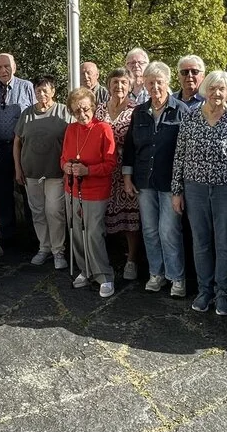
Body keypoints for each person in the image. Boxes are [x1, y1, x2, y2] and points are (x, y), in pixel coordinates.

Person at [170, 70, 227, 316]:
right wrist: (177, 190)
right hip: (194, 189)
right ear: (205, 90)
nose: (217, 93)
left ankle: (223, 293)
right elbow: (180, 156)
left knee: (225, 243)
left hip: (226, 191)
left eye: (222, 89)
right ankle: (204, 290)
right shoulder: (191, 117)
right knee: (201, 241)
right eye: (213, 88)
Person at [121, 61, 190, 297]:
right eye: (150, 83)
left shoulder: (181, 111)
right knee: (150, 230)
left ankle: (176, 277)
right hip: (144, 182)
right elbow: (129, 147)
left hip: (171, 183)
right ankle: (156, 274)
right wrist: (128, 177)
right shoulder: (139, 112)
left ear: (167, 83)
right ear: (145, 84)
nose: (155, 87)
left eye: (159, 82)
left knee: (169, 230)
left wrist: (181, 186)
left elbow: (187, 153)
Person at [62, 87, 117, 297]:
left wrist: (88, 171)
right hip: (72, 188)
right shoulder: (70, 129)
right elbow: (63, 157)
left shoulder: (103, 129)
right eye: (76, 111)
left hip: (95, 190)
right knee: (76, 230)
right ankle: (85, 270)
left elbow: (111, 164)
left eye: (85, 109)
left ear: (93, 107)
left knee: (93, 233)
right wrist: (66, 166)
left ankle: (103, 275)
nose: (82, 114)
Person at [15, 75, 73, 269]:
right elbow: (17, 142)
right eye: (38, 90)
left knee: (54, 212)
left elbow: (73, 140)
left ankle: (58, 251)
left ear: (53, 91)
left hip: (56, 173)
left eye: (45, 90)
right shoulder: (27, 113)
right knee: (38, 212)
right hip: (31, 173)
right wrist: (18, 168)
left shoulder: (63, 112)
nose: (41, 94)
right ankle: (44, 247)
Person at [0, 53, 36, 250]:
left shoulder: (26, 87)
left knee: (27, 191)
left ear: (14, 67)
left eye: (7, 66)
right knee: (3, 193)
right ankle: (7, 236)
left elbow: (33, 114)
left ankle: (34, 237)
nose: (3, 70)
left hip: (22, 147)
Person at [96, 68, 144, 280]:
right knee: (100, 216)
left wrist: (129, 173)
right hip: (102, 172)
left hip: (126, 172)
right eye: (115, 82)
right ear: (108, 84)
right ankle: (103, 260)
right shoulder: (98, 110)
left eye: (124, 82)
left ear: (131, 85)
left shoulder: (137, 110)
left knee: (129, 218)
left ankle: (132, 260)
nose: (119, 86)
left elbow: (136, 144)